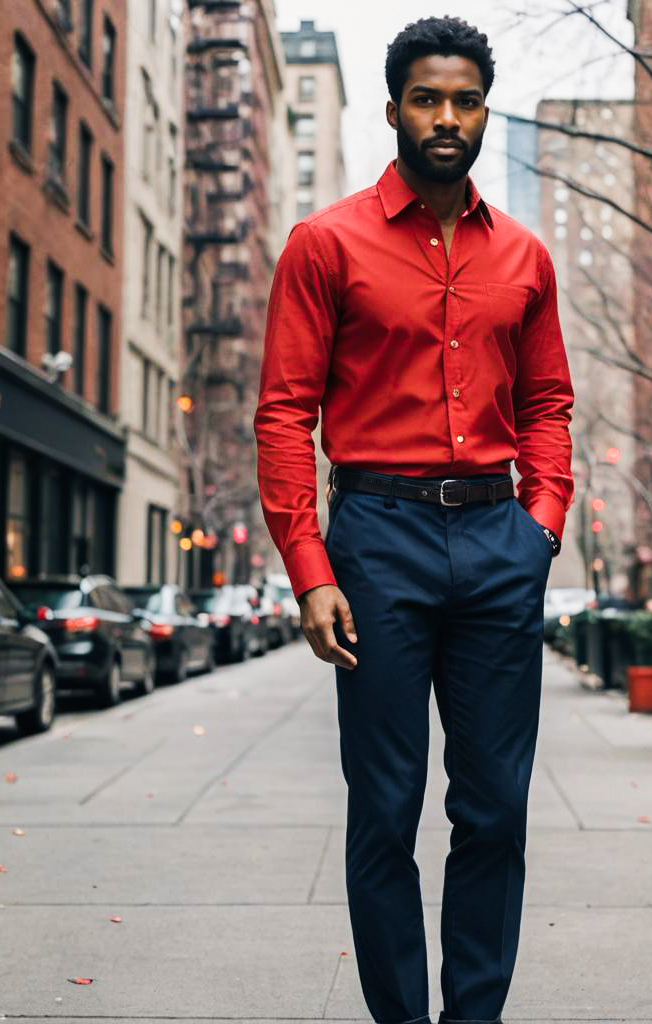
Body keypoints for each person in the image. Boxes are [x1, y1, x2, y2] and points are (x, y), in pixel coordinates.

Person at [253, 16, 574, 1024]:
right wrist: (309, 569)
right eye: (427, 99)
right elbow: (283, 411)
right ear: (394, 109)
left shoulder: (523, 257)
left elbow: (548, 405)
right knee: (384, 812)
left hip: (494, 543)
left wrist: (541, 528)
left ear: (484, 109)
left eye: (464, 99)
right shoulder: (325, 243)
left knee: (493, 811)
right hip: (376, 540)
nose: (446, 117)